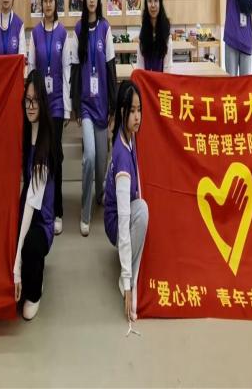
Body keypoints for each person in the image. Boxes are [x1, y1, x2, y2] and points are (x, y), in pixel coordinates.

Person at [70, 0, 117, 237]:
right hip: (87, 106)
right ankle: (85, 212)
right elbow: (75, 70)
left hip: (102, 105)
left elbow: (110, 69)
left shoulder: (105, 28)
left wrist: (112, 106)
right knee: (89, 156)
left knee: (101, 163)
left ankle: (100, 193)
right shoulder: (78, 30)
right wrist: (76, 106)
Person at [28, 0, 71, 235]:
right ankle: (39, 205)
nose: (47, 4)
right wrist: (32, 103)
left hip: (56, 105)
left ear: (56, 3)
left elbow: (66, 72)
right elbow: (32, 68)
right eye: (44, 0)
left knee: (55, 155)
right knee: (39, 154)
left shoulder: (63, 34)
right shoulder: (34, 34)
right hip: (40, 106)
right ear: (40, 4)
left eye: (51, 0)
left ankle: (57, 211)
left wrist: (66, 108)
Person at [14, 70, 56, 321]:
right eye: (27, 100)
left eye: (35, 101)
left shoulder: (45, 145)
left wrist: (17, 265)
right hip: (25, 207)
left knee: (29, 246)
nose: (30, 106)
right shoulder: (24, 130)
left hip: (41, 221)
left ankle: (35, 289)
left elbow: (32, 204)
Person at [104, 80, 148, 322]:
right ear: (122, 111)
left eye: (139, 110)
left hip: (124, 208)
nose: (137, 116)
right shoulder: (122, 156)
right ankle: (129, 277)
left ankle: (129, 273)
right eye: (132, 111)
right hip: (115, 223)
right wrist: (128, 281)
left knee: (141, 208)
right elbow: (122, 221)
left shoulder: (128, 135)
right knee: (142, 211)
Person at [136, 0, 172, 72]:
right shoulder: (143, 32)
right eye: (149, 1)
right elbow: (140, 66)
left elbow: (167, 67)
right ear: (146, 3)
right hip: (145, 80)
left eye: (156, 0)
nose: (153, 5)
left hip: (162, 80)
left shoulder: (166, 33)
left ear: (160, 2)